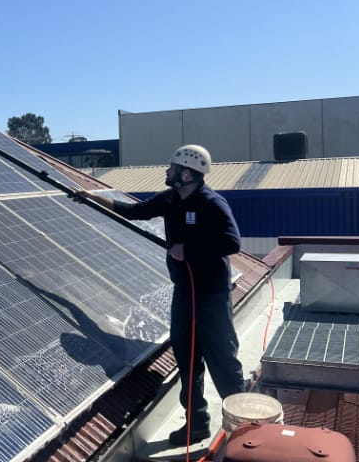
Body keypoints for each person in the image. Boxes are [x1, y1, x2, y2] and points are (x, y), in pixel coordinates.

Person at [75, 144, 244, 447]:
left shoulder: (211, 203)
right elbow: (135, 211)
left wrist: (188, 249)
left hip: (211, 295)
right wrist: (93, 200)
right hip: (184, 293)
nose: (167, 171)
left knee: (222, 361)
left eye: (172, 167)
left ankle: (245, 430)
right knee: (187, 359)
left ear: (187, 173)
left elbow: (231, 241)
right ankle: (196, 424)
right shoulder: (169, 200)